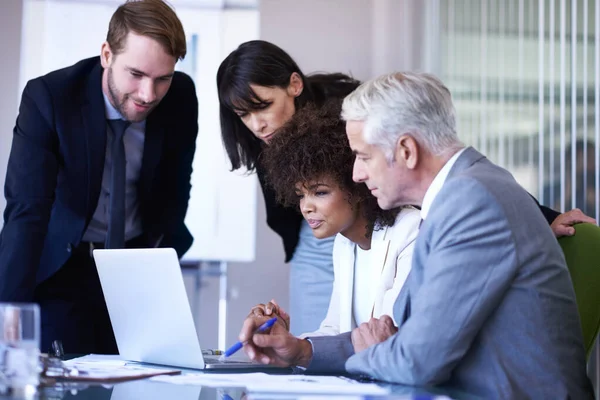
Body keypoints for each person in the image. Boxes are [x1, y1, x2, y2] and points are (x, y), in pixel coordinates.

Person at [236, 72, 594, 398]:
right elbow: (398, 337)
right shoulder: (458, 196)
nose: (357, 174)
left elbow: (416, 360)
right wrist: (301, 351)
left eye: (363, 156)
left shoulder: (471, 202)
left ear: (406, 150)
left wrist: (376, 352)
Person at [0, 0, 198, 355]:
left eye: (162, 79)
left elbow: (177, 186)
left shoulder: (180, 97)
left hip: (139, 269)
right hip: (65, 267)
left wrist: (161, 257)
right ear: (107, 54)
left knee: (151, 382)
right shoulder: (50, 99)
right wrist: (7, 309)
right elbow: (26, 210)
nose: (148, 95)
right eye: (136, 75)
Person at [217, 40, 361, 334]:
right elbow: (284, 216)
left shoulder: (349, 111)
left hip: (373, 231)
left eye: (263, 106)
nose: (256, 125)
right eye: (243, 114)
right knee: (315, 347)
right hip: (314, 243)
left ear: (294, 85)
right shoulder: (261, 140)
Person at [248, 100, 420, 337]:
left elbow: (388, 337)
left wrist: (298, 350)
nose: (306, 207)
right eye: (301, 195)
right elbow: (334, 331)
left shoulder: (411, 231)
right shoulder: (344, 243)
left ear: (356, 186)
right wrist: (285, 340)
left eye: (320, 192)